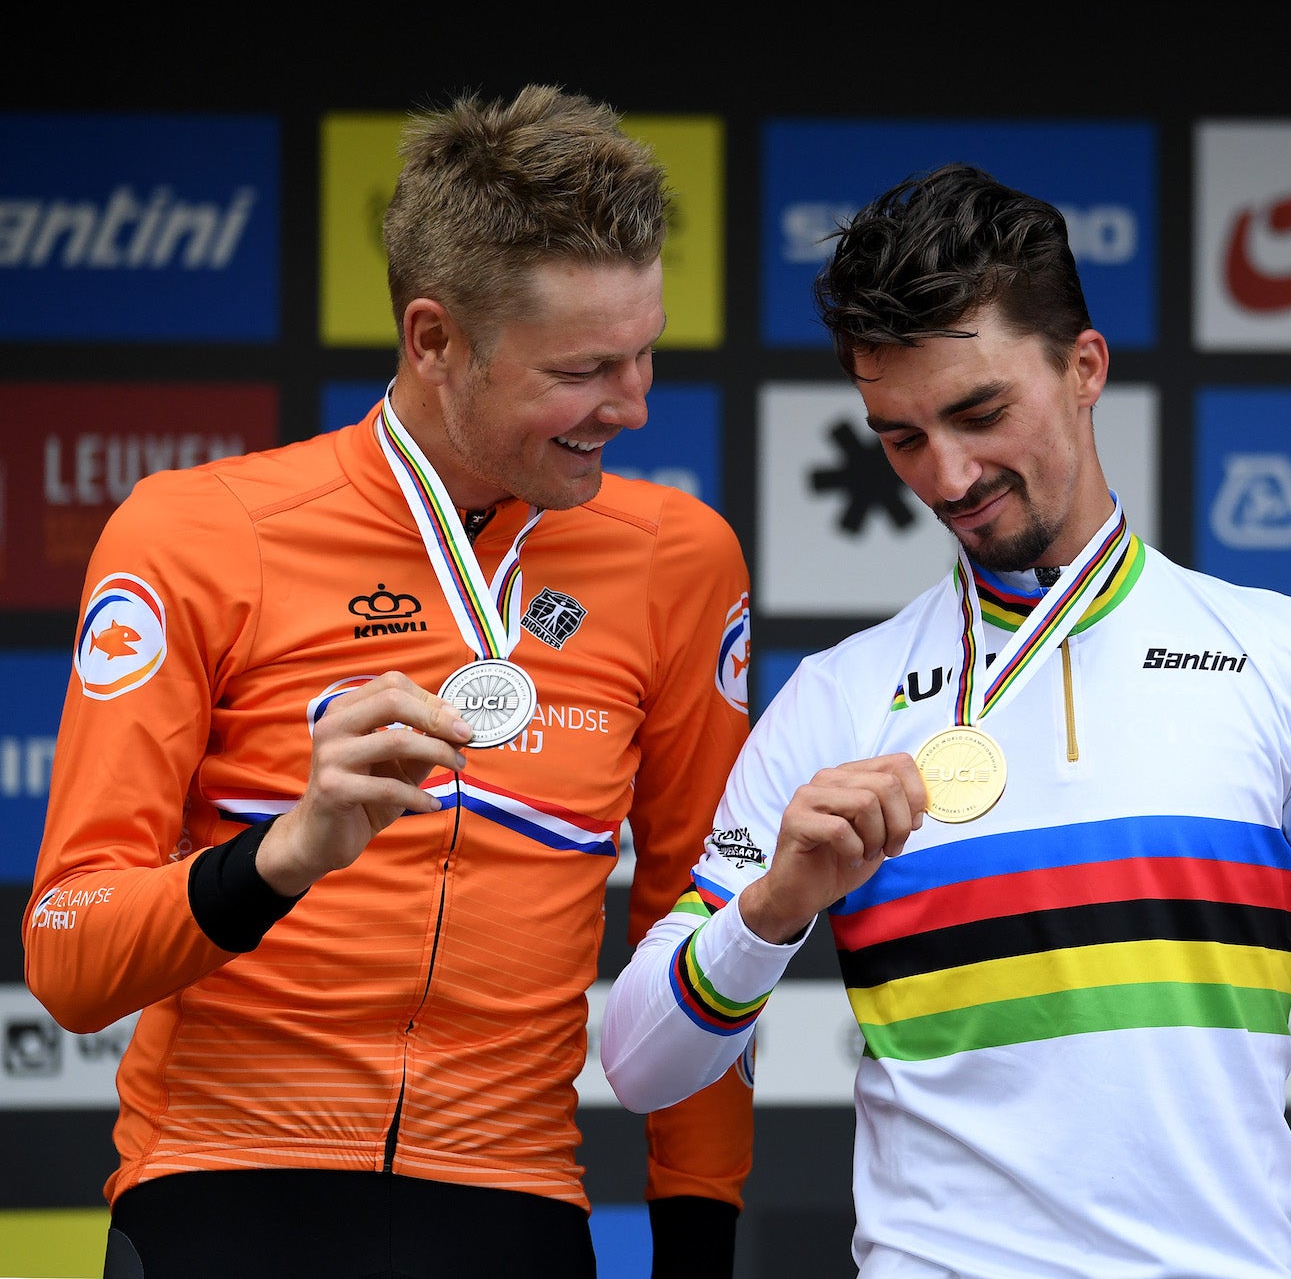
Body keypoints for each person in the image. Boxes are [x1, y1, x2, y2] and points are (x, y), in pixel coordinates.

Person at [603, 162, 1291, 1277]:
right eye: (899, 436)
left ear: (1084, 367)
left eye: (980, 412)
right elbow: (639, 1065)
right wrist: (771, 905)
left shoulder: (1282, 657)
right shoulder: (837, 698)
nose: (948, 473)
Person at [25, 86, 753, 1279]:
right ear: (433, 340)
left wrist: (697, 1249)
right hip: (222, 1185)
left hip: (515, 1197)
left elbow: (696, 929)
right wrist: (288, 850)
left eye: (645, 350)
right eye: (583, 368)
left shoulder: (680, 557)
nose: (633, 403)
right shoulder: (199, 531)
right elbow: (67, 953)